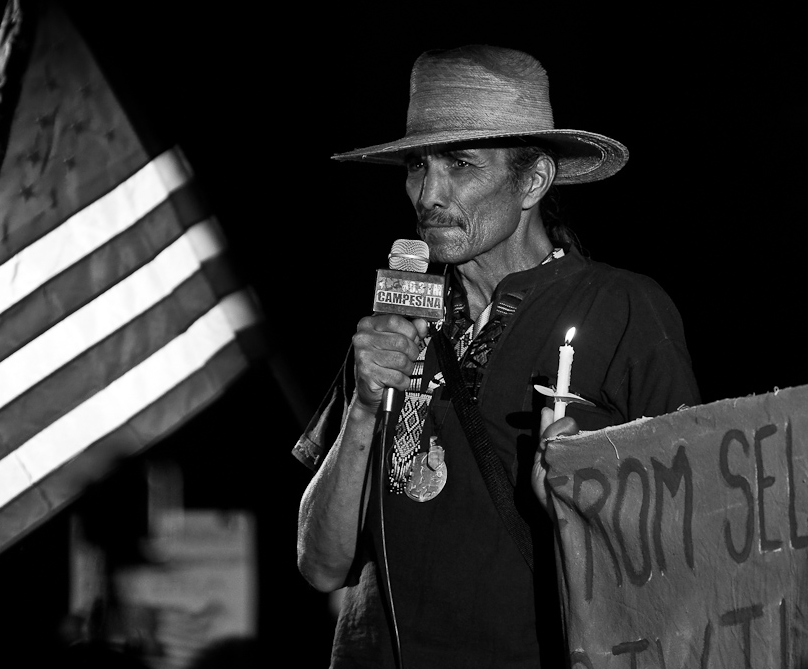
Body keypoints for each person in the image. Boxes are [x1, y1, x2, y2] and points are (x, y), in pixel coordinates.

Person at [293, 45, 700, 668]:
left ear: (533, 180)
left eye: (460, 163)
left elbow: (690, 542)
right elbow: (320, 566)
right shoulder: (396, 322)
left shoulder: (620, 309)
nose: (429, 193)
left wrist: (592, 485)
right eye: (417, 165)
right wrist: (365, 409)